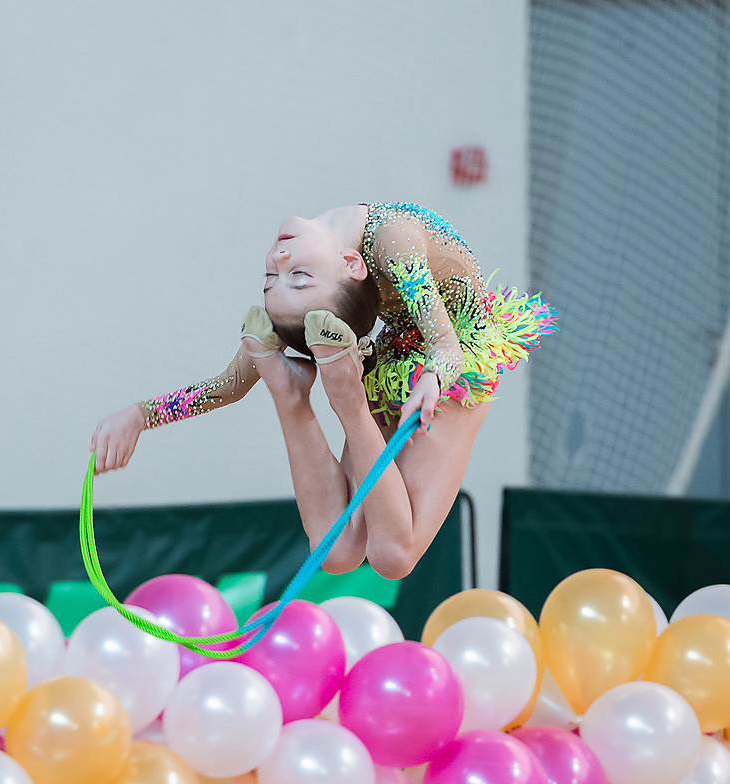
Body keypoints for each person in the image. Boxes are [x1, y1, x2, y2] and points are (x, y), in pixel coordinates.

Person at [90, 202, 556, 579]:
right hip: (394, 351)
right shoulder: (348, 253)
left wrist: (433, 379)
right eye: (280, 279)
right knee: (339, 553)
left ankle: (316, 397)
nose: (277, 262)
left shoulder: (391, 239)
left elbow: (448, 350)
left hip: (459, 347)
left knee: (392, 554)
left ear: (354, 265)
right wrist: (140, 415)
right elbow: (230, 386)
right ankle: (299, 395)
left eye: (284, 278)